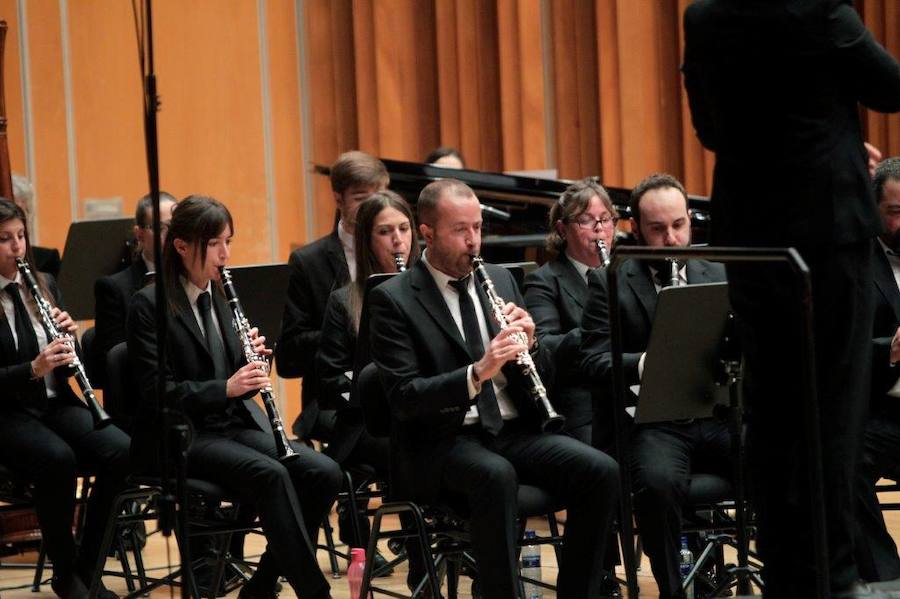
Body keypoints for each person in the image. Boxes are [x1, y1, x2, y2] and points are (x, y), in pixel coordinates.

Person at [683, 2, 900, 595]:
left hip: (751, 234)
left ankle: (788, 578)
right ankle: (832, 579)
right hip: (827, 232)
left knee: (773, 415)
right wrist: (829, 148)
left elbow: (711, 130)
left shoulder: (705, 16)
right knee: (833, 414)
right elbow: (889, 87)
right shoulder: (819, 9)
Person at [368, 178, 619, 598]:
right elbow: (405, 399)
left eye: (478, 227)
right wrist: (477, 372)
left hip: (512, 430)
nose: (474, 240)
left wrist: (532, 342)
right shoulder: (394, 299)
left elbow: (543, 377)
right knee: (496, 477)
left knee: (600, 470)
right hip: (443, 441)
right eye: (461, 230)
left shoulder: (501, 279)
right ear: (426, 232)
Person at [126, 195, 342, 599]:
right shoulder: (148, 306)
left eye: (228, 241)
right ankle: (316, 592)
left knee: (324, 473)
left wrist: (256, 359)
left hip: (231, 425)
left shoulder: (223, 295)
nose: (225, 254)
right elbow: (158, 392)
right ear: (182, 246)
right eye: (214, 244)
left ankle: (261, 585)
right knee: (273, 474)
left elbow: (233, 369)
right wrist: (226, 387)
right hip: (182, 435)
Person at [580, 173, 730, 599]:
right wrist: (647, 363)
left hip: (712, 411)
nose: (671, 238)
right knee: (658, 485)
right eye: (658, 229)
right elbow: (592, 362)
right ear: (636, 229)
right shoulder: (609, 279)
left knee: (779, 458)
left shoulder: (715, 269)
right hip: (652, 421)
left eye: (679, 225)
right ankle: (672, 590)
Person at [0, 198, 130, 599]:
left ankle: (88, 565)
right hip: (8, 411)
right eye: (4, 239)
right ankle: (65, 569)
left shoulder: (45, 284)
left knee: (122, 451)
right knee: (58, 459)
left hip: (54, 403)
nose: (18, 247)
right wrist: (32, 369)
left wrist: (71, 339)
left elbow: (71, 363)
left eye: (21, 235)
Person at [316, 190, 419, 571]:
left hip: (421, 410)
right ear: (366, 241)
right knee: (407, 448)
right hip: (365, 424)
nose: (398, 241)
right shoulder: (345, 300)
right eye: (385, 232)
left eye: (404, 229)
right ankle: (417, 541)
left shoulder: (432, 293)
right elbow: (329, 379)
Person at [276, 151, 389, 442]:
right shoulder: (308, 262)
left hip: (393, 389)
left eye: (381, 195)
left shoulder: (399, 249)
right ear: (338, 200)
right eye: (362, 198)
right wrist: (346, 328)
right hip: (331, 399)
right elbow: (289, 354)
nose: (375, 207)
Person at [524, 177, 618, 447]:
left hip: (631, 393)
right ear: (563, 229)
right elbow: (546, 348)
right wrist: (599, 328)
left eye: (606, 219)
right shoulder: (544, 281)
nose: (600, 229)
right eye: (587, 220)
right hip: (584, 407)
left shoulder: (627, 274)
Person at [855, 157, 900, 583]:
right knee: (843, 458)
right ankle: (889, 582)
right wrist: (891, 349)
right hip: (881, 413)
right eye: (896, 211)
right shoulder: (853, 264)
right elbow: (836, 349)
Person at [93, 191, 177, 392]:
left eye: (175, 227)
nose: (170, 234)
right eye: (160, 227)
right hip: (144, 392)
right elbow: (117, 362)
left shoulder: (195, 280)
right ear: (139, 234)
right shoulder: (113, 288)